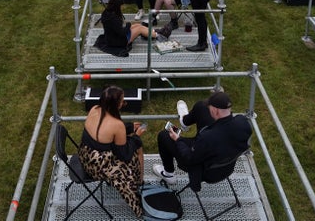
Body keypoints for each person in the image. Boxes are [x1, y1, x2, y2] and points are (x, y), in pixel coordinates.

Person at [153, 91, 252, 186]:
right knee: (202, 107)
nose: (208, 108)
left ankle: (168, 175)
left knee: (164, 136)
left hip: (206, 172)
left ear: (216, 110)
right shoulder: (243, 122)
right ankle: (184, 121)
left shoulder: (206, 137)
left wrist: (178, 140)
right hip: (228, 167)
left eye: (210, 107)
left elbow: (189, 158)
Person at [78, 85, 147, 218]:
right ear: (116, 105)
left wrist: (129, 127)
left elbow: (105, 131)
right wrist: (137, 136)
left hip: (84, 157)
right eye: (122, 101)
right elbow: (124, 155)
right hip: (98, 167)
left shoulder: (94, 109)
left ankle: (138, 182)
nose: (124, 103)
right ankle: (138, 186)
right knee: (136, 151)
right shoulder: (117, 125)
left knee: (131, 145)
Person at [99, 0, 173, 50]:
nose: (122, 8)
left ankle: (155, 32)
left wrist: (129, 26)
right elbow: (122, 32)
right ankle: (159, 35)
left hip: (113, 37)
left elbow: (118, 30)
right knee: (139, 29)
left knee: (137, 25)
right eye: (121, 6)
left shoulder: (107, 13)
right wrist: (128, 25)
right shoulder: (114, 18)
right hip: (118, 42)